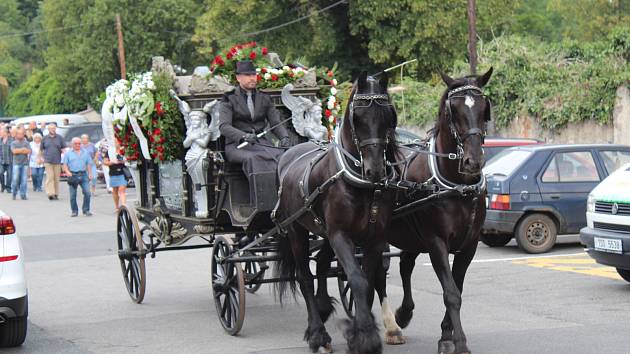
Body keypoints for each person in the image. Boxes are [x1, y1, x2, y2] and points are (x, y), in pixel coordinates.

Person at [219, 60, 291, 200]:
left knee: (282, 156)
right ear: (238, 77)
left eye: (254, 74)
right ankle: (264, 200)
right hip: (237, 146)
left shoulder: (264, 98)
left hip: (261, 143)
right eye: (247, 75)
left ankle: (284, 197)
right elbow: (224, 127)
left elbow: (275, 122)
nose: (252, 78)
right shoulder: (229, 99)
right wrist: (244, 136)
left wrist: (284, 137)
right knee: (254, 159)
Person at [62, 137, 94, 217]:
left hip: (83, 174)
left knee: (87, 193)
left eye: (79, 143)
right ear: (72, 144)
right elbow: (64, 165)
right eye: (75, 143)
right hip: (73, 175)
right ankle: (74, 211)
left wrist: (90, 173)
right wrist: (67, 172)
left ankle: (86, 210)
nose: (77, 145)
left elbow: (89, 164)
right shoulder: (68, 153)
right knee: (73, 195)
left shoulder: (85, 152)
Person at [41, 123, 66, 200]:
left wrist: (66, 157)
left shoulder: (60, 138)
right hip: (48, 160)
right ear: (48, 129)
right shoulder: (45, 138)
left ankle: (56, 193)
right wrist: (40, 158)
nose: (52, 129)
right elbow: (41, 149)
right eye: (51, 128)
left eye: (54, 128)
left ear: (55, 129)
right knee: (50, 177)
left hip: (57, 160)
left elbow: (64, 148)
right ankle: (50, 193)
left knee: (56, 178)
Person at [10, 128, 31, 200]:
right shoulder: (13, 143)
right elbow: (14, 152)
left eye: (21, 134)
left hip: (25, 163)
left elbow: (29, 151)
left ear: (23, 134)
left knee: (24, 180)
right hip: (16, 163)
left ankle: (23, 194)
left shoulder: (26, 143)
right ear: (16, 134)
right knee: (15, 179)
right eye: (18, 134)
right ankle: (14, 193)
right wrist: (23, 149)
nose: (20, 135)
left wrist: (20, 150)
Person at [0, 126, 13, 193]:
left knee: (9, 175)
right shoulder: (0, 140)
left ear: (5, 133)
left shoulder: (11, 140)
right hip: (1, 160)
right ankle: (3, 186)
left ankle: (8, 187)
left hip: (10, 160)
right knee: (0, 173)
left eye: (1, 132)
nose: (0, 133)